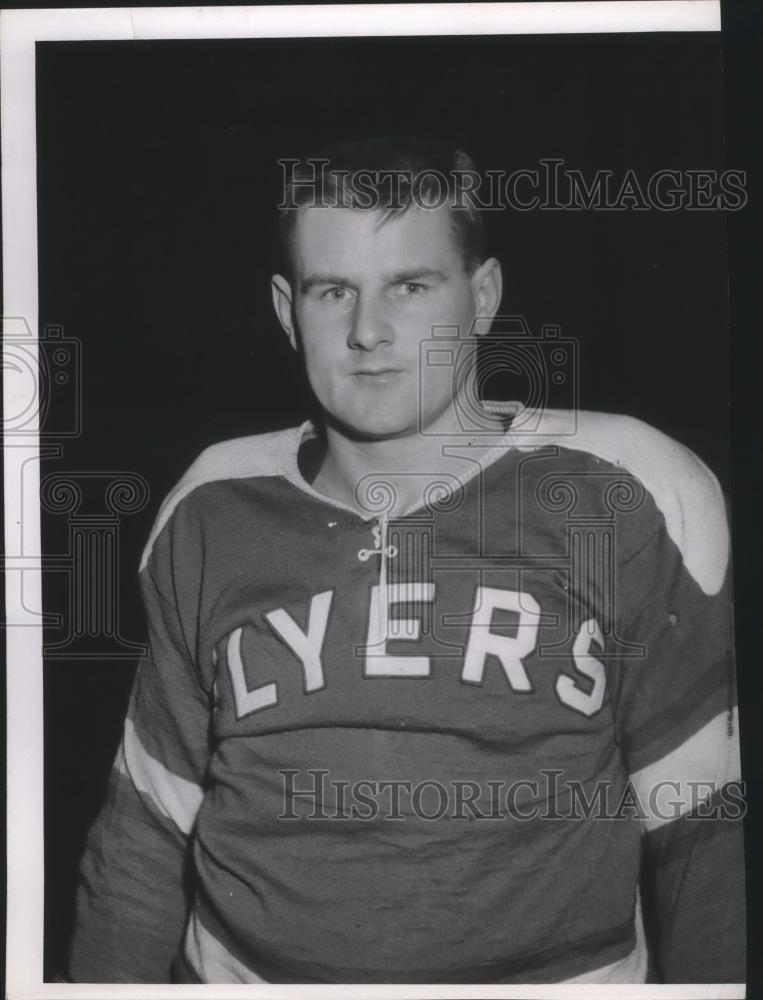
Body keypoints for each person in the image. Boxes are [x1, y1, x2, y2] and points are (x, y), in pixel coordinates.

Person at [68, 137, 744, 984]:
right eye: (332, 290)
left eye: (411, 286)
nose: (367, 332)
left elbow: (703, 831)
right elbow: (144, 830)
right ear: (286, 308)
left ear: (483, 296)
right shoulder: (211, 503)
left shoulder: (625, 488)